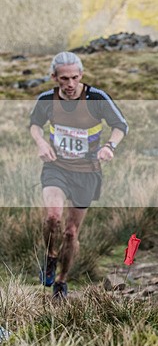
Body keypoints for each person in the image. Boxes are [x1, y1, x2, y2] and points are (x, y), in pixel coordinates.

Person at [29, 51, 129, 299]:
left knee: (71, 232)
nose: (70, 84)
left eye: (75, 77)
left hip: (87, 172)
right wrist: (41, 143)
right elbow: (34, 125)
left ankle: (61, 282)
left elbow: (121, 126)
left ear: (81, 75)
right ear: (54, 77)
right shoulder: (46, 99)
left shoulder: (96, 97)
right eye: (64, 79)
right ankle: (50, 259)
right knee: (53, 217)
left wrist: (109, 147)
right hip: (57, 167)